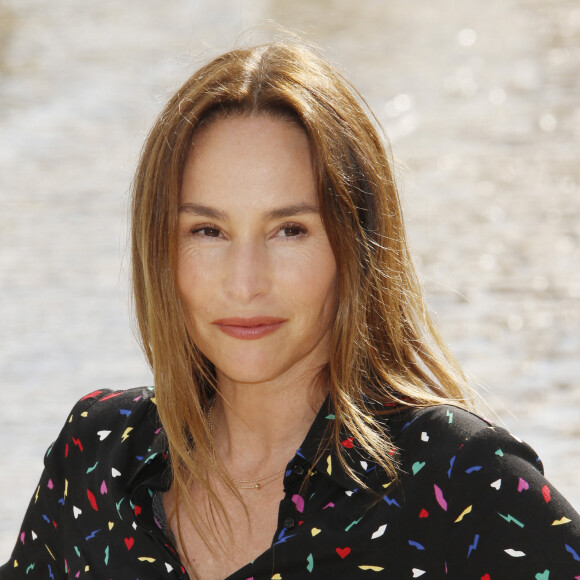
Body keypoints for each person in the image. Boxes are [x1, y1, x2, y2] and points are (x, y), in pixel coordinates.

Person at [2, 41, 579, 580]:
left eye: (289, 230)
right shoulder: (95, 460)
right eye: (208, 230)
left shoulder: (458, 480)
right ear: (160, 249)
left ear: (356, 245)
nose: (245, 283)